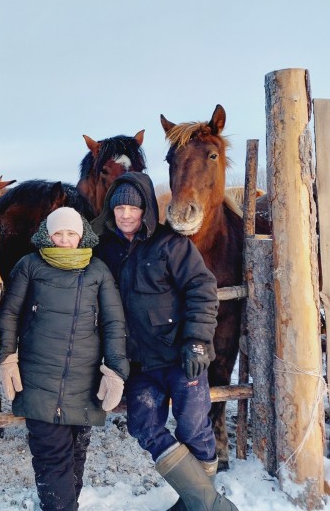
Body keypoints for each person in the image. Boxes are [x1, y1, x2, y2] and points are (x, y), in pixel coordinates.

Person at [91, 172, 238, 511]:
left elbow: (202, 290)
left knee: (194, 428)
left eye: (133, 207)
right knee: (142, 424)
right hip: (139, 363)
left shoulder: (170, 244)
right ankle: (207, 502)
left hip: (180, 357)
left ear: (146, 210)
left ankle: (194, 502)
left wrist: (198, 341)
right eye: (119, 208)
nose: (126, 215)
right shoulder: (104, 251)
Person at [0, 206, 129, 511]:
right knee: (51, 457)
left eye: (71, 233)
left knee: (76, 454)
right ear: (48, 234)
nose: (65, 240)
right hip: (40, 380)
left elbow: (113, 323)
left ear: (82, 236)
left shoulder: (98, 271)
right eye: (58, 233)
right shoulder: (29, 265)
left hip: (84, 383)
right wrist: (7, 358)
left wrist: (116, 371)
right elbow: (10, 314)